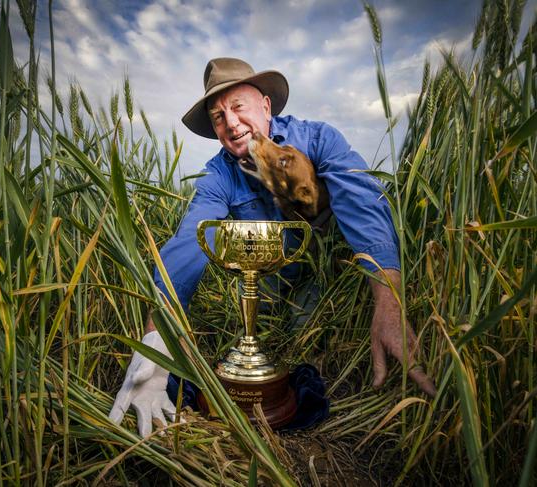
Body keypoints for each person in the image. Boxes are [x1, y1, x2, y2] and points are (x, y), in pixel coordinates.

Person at [109, 58, 436, 437]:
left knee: (308, 347)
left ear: (266, 105)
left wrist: (389, 300)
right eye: (218, 117)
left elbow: (362, 203)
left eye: (238, 107)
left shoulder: (317, 140)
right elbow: (192, 238)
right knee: (264, 341)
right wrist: (156, 338)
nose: (230, 124)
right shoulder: (219, 173)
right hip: (262, 288)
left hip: (328, 283)